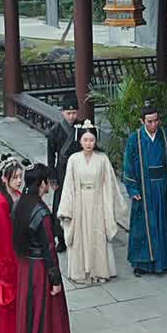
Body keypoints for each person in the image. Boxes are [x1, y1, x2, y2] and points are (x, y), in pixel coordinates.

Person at [12, 163, 73, 333]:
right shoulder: (42, 213)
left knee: (28, 315)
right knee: (44, 316)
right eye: (46, 181)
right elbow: (49, 249)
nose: (48, 185)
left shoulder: (19, 205)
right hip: (39, 269)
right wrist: (55, 279)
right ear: (41, 184)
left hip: (25, 266)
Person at [57, 121, 130, 286]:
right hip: (79, 201)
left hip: (98, 201)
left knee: (98, 234)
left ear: (96, 141)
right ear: (80, 140)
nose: (89, 143)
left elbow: (110, 184)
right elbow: (68, 185)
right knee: (80, 235)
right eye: (85, 140)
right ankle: (80, 272)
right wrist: (67, 209)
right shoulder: (74, 159)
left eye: (91, 140)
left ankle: (100, 271)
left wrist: (112, 206)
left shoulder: (102, 159)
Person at [123, 103, 167, 276]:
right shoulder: (134, 139)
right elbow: (128, 165)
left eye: (156, 120)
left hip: (163, 186)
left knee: (165, 222)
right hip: (145, 188)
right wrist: (133, 189)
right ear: (142, 121)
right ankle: (141, 264)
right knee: (143, 226)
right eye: (149, 122)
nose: (153, 125)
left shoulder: (166, 136)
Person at [0, 155, 25, 333]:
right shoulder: (1, 202)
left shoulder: (17, 194)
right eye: (15, 177)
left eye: (20, 177)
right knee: (7, 297)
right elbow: (1, 236)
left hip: (18, 251)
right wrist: (6, 262)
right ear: (4, 179)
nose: (19, 181)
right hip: (7, 254)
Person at [47, 92, 83, 252]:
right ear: (62, 112)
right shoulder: (55, 130)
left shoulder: (82, 127)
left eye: (74, 113)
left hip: (79, 168)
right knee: (60, 203)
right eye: (68, 113)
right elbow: (50, 156)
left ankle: (79, 234)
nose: (72, 116)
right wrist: (52, 177)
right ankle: (60, 237)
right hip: (62, 169)